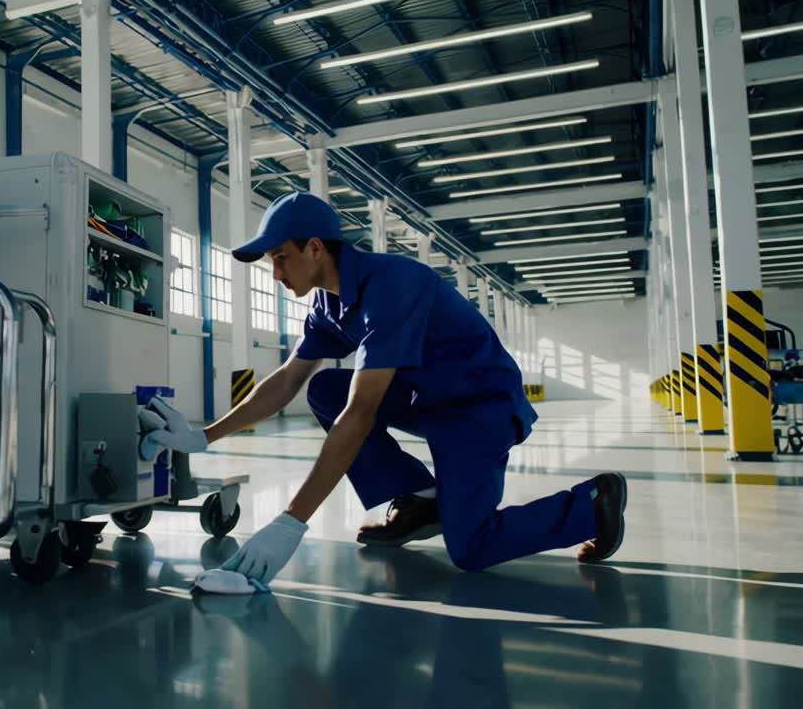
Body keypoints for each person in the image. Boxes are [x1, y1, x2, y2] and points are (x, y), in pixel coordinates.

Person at [145, 192, 627, 584]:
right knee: (324, 388)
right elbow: (289, 379)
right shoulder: (328, 307)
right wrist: (205, 435)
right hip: (427, 398)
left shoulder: (392, 286)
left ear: (316, 248)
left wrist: (292, 519)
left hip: (478, 409)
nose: (275, 274)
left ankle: (590, 504)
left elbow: (360, 414)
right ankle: (419, 501)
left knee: (471, 548)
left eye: (280, 258)